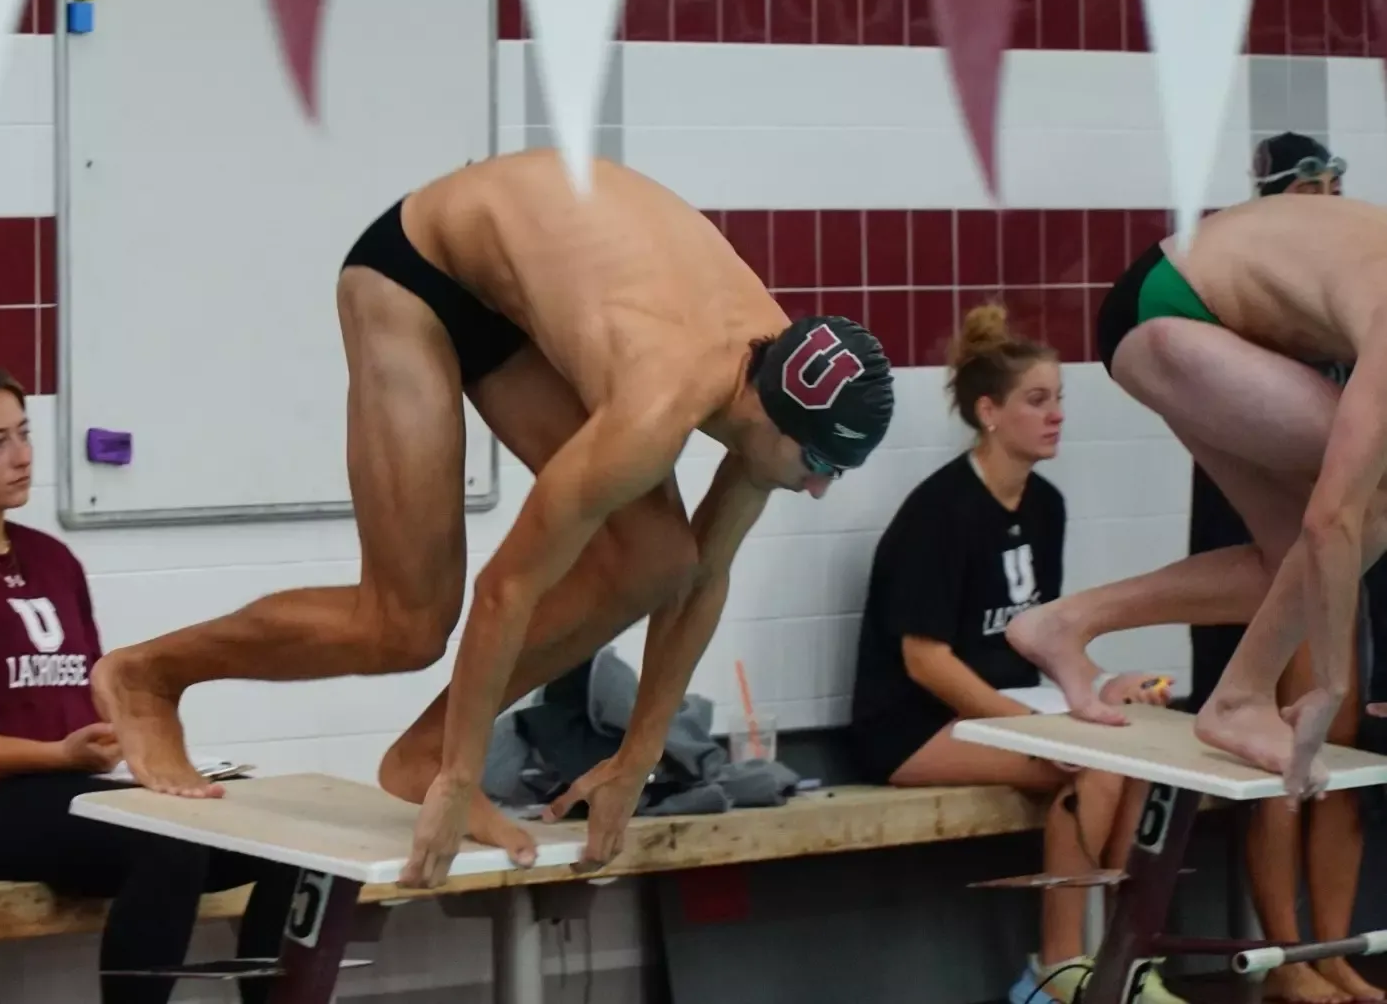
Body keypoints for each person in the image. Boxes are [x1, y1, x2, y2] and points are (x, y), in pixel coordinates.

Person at [89, 147, 896, 889]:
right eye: (818, 467)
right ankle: (149, 675)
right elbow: (507, 586)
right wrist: (463, 776)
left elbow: (701, 576)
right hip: (418, 271)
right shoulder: (656, 406)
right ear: (770, 418)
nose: (818, 490)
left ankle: (419, 752)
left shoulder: (782, 376)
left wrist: (635, 757)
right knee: (403, 627)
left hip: (518, 289)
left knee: (658, 556)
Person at [0, 363, 297, 1004]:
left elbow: (92, 697)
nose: (23, 457)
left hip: (74, 790)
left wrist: (151, 752)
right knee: (168, 849)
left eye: (25, 434)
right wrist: (56, 755)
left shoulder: (51, 560)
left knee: (291, 838)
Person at [1004, 188, 1387, 807]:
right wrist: (1330, 687)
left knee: (1290, 569)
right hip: (1172, 308)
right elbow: (1333, 518)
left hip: (1183, 308)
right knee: (1368, 503)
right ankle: (1239, 700)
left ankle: (1063, 623)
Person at [848, 305, 1179, 1003]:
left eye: (1059, 398)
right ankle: (1055, 970)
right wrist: (1031, 730)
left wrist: (1106, 685)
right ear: (988, 411)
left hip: (1005, 712)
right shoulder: (937, 514)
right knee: (1090, 766)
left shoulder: (1044, 507)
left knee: (1139, 751)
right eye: (1037, 400)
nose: (1056, 414)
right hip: (908, 725)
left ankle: (1122, 959)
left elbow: (1045, 642)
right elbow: (924, 662)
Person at [1182, 133, 1378, 1004]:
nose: (1328, 200)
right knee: (1282, 757)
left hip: (1339, 533)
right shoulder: (1256, 308)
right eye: (1312, 187)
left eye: (1336, 184)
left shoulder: (1350, 287)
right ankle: (1281, 955)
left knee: (1339, 750)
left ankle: (1328, 950)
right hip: (1286, 524)